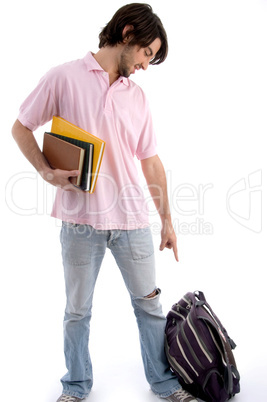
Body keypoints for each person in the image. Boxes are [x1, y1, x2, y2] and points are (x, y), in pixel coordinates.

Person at [12, 3, 198, 402]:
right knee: (77, 312)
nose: (147, 65)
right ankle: (76, 387)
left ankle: (164, 384)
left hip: (132, 220)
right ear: (128, 33)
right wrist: (46, 171)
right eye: (147, 53)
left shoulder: (137, 97)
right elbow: (21, 125)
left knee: (149, 307)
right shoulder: (63, 77)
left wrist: (166, 219)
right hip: (79, 221)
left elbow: (150, 161)